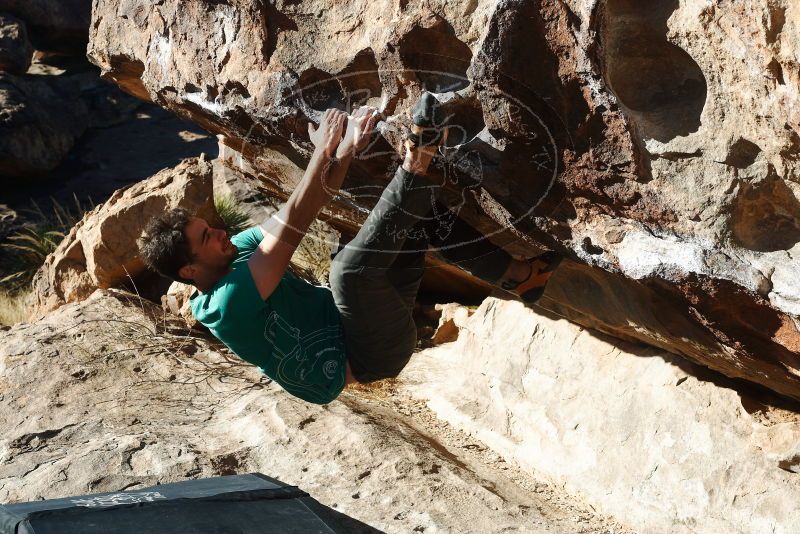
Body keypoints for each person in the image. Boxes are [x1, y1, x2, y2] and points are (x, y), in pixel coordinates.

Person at [138, 94, 561, 404]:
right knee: (347, 272)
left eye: (208, 226)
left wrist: (345, 149)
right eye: (205, 237)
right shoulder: (225, 306)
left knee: (411, 216)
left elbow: (303, 202)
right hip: (370, 354)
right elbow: (298, 221)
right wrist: (324, 150)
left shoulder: (235, 250)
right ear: (190, 272)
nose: (217, 231)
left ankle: (520, 277)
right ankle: (418, 159)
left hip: (361, 317)